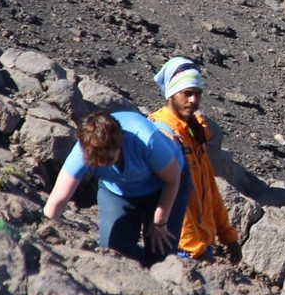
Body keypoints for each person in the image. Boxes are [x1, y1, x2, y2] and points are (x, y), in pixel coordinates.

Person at [44, 110, 190, 265]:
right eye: (95, 161)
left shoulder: (145, 139)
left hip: (164, 186)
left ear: (119, 145)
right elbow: (57, 200)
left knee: (161, 253)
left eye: (107, 160)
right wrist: (43, 235)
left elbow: (172, 180)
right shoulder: (82, 150)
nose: (101, 165)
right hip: (118, 190)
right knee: (114, 253)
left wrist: (159, 222)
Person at [148, 57, 242, 264]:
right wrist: (194, 249)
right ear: (171, 94)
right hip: (178, 246)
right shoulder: (163, 132)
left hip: (200, 242)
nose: (193, 100)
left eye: (197, 94)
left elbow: (209, 187)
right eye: (187, 93)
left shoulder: (193, 131)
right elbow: (171, 197)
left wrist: (228, 235)